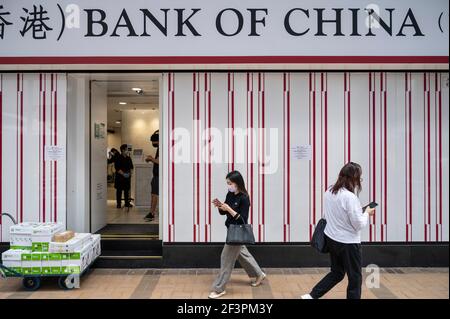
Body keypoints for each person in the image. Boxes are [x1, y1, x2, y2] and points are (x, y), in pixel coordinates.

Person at [301, 162, 376, 299]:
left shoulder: (329, 191)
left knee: (337, 272)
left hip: (332, 239)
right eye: (359, 178)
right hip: (349, 244)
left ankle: (311, 296)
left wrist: (359, 212)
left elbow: (336, 214)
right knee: (355, 278)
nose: (360, 181)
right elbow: (358, 224)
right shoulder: (350, 197)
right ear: (353, 178)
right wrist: (367, 213)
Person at [209, 170, 266, 299]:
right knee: (242, 253)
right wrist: (220, 207)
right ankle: (258, 274)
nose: (228, 185)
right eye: (227, 183)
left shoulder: (244, 198)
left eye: (230, 183)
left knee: (226, 258)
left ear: (237, 183)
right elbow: (224, 213)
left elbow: (243, 219)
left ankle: (219, 289)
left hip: (237, 231)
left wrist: (228, 208)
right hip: (230, 230)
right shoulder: (230, 194)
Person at [144, 130, 159, 221]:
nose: (153, 143)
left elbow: (159, 161)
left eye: (153, 142)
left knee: (154, 195)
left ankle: (152, 213)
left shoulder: (162, 148)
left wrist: (150, 158)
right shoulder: (159, 148)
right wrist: (151, 159)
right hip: (156, 175)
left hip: (158, 176)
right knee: (153, 194)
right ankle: (151, 212)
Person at [114, 144, 134, 209]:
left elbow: (131, 167)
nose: (127, 151)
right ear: (123, 150)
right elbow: (117, 168)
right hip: (120, 177)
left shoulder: (128, 158)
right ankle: (119, 204)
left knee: (126, 191)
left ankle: (126, 203)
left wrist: (130, 173)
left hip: (127, 178)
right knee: (119, 191)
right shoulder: (118, 157)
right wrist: (124, 174)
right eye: (126, 149)